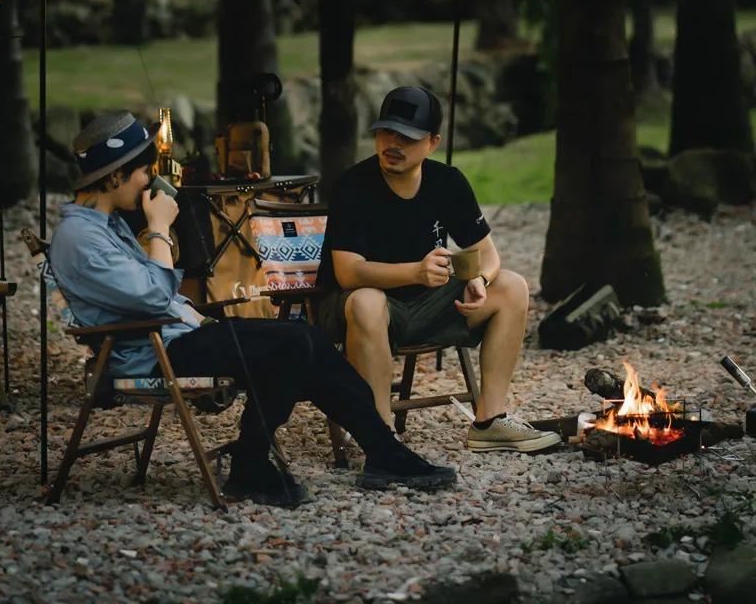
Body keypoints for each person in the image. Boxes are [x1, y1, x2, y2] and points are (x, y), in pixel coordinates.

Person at [49, 111, 456, 508]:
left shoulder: (107, 225)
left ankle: (382, 451)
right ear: (116, 175)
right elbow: (153, 299)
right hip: (151, 355)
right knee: (292, 346)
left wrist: (196, 309)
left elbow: (154, 296)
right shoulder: (79, 238)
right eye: (144, 171)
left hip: (178, 336)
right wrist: (158, 228)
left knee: (308, 339)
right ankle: (251, 462)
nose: (150, 181)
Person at [317, 86, 561, 453]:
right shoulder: (354, 185)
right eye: (386, 132)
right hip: (358, 310)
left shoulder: (447, 182)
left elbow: (487, 254)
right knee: (367, 301)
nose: (393, 144)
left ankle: (490, 422)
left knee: (511, 286)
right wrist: (415, 272)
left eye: (407, 137)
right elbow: (349, 273)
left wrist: (479, 279)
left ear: (432, 142)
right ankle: (380, 436)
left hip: (428, 304)